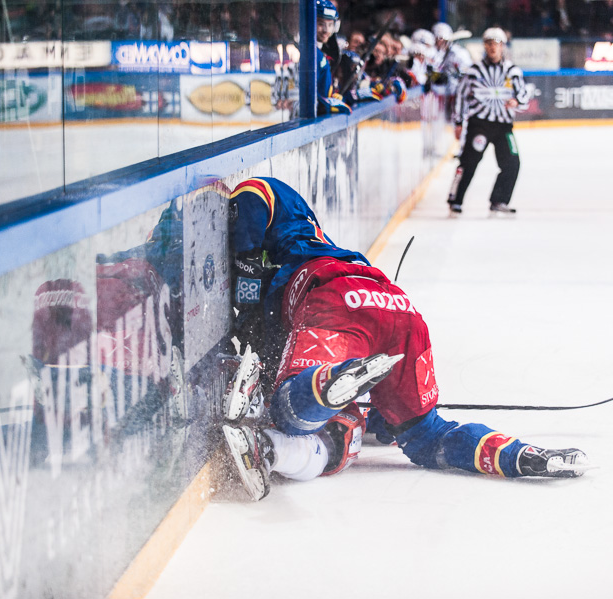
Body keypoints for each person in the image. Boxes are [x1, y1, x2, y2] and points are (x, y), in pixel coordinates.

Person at [221, 177, 590, 501]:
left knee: (288, 410)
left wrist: (248, 295)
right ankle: (520, 456)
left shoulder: (295, 225)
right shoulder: (327, 245)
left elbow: (256, 191)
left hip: (337, 298)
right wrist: (386, 417)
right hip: (401, 309)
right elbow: (394, 425)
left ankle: (330, 383)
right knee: (428, 435)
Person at [446, 27, 528, 217]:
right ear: (484, 45)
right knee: (468, 162)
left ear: (502, 46)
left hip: (504, 126)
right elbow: (460, 96)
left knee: (512, 162)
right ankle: (455, 200)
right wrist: (458, 122)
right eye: (489, 44)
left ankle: (499, 200)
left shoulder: (512, 71)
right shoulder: (474, 71)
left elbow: (523, 94)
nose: (493, 48)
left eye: (496, 44)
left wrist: (517, 101)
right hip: (479, 125)